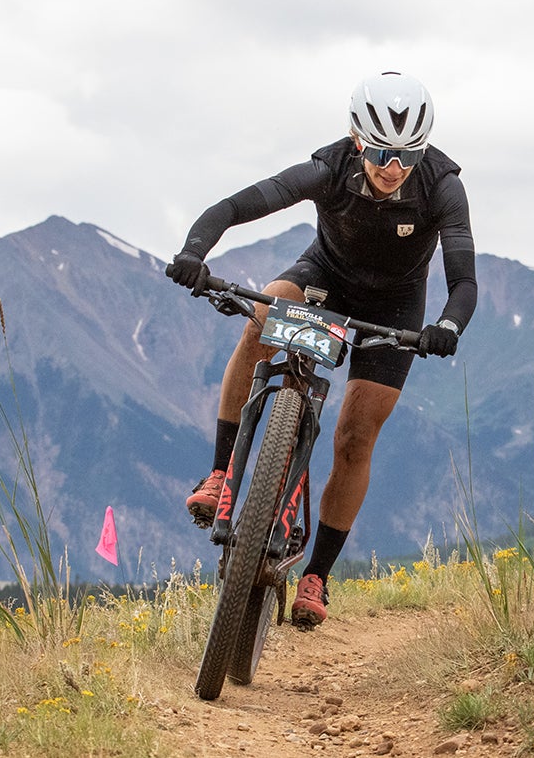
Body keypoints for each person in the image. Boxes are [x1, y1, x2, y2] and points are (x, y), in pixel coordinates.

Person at [167, 71, 477, 630]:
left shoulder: (443, 187)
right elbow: (237, 206)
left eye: (408, 155)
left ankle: (317, 576)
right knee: (262, 320)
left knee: (355, 437)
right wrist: (195, 251)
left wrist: (448, 324)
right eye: (382, 151)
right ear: (358, 138)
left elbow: (464, 279)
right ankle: (220, 475)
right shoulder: (329, 168)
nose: (394, 167)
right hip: (323, 280)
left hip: (396, 307)